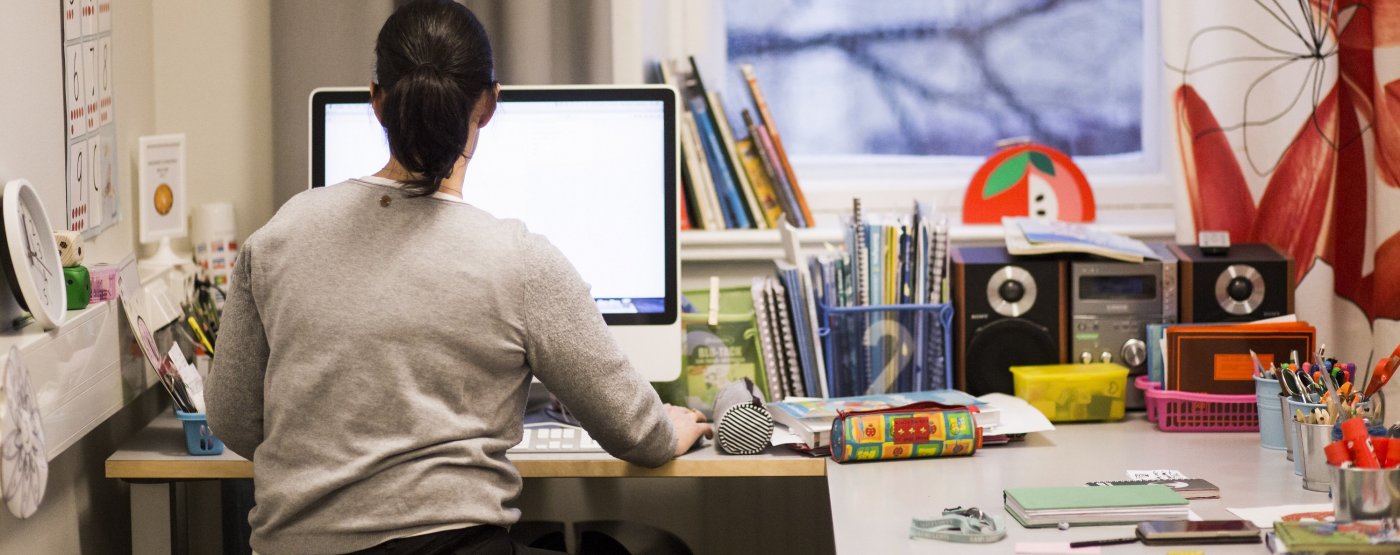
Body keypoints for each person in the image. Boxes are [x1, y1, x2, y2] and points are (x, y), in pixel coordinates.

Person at [205, 2, 710, 553]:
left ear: (376, 101)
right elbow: (636, 432)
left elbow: (232, 419)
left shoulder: (278, 235)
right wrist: (669, 430)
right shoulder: (518, 259)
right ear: (488, 104)